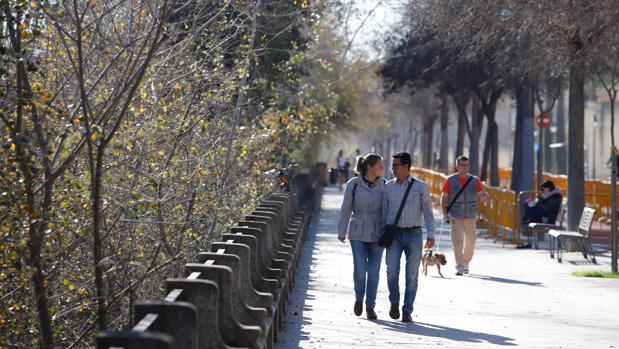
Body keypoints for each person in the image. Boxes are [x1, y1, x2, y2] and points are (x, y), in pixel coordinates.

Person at [383, 152, 435, 323]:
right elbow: (384, 212)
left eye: (396, 165)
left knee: (412, 275)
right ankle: (394, 302)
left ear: (406, 167)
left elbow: (428, 211)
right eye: (392, 165)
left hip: (414, 234)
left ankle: (407, 310)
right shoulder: (388, 187)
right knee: (391, 271)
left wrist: (431, 234)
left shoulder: (420, 187)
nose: (393, 169)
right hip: (394, 235)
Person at [338, 154, 386, 320]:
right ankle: (359, 297)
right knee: (360, 268)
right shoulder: (354, 184)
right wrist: (341, 230)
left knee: (374, 272)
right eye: (380, 165)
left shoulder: (385, 185)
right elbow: (346, 208)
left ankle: (370, 306)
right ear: (370, 167)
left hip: (378, 233)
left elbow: (389, 210)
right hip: (357, 231)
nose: (383, 168)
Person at [440, 155, 487, 276]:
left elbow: (482, 193)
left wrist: (484, 197)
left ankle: (466, 262)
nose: (465, 168)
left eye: (467, 165)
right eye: (462, 165)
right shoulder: (450, 180)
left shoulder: (474, 180)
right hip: (455, 215)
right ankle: (460, 265)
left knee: (471, 241)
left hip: (470, 215)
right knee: (457, 241)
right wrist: (444, 213)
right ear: (457, 166)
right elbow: (444, 197)